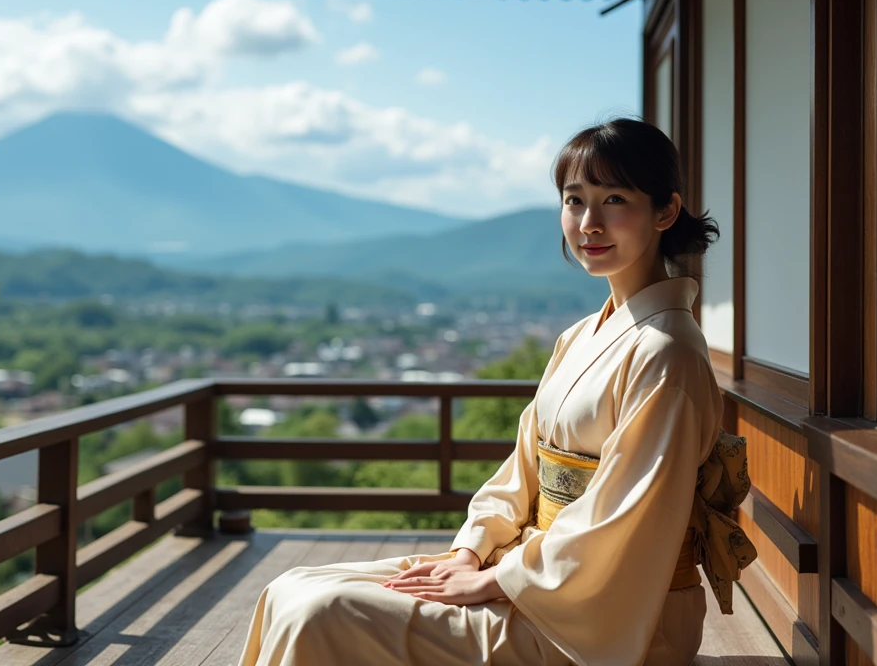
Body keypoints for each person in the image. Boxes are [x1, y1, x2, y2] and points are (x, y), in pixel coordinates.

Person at [237, 117, 757, 666]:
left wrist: (500, 581)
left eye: (615, 199)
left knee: (322, 612)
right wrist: (472, 550)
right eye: (574, 200)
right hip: (544, 574)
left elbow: (623, 521)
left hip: (619, 613)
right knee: (292, 589)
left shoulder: (667, 352)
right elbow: (522, 473)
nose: (589, 223)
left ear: (666, 212)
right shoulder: (581, 335)